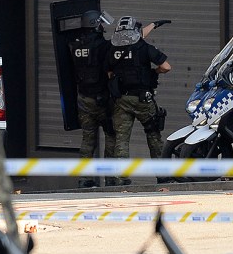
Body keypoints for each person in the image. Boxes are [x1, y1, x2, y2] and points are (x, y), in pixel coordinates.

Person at [106, 16, 171, 184]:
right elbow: (166, 67)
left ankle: (121, 178)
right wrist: (154, 73)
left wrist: (154, 25)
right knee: (153, 135)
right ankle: (162, 176)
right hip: (143, 100)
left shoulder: (112, 49)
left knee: (121, 138)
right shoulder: (143, 48)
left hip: (122, 100)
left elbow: (109, 74)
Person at [68, 10, 115, 188]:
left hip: (83, 98)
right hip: (102, 99)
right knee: (111, 136)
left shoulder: (74, 44)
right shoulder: (103, 46)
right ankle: (110, 179)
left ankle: (84, 179)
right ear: (95, 24)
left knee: (88, 139)